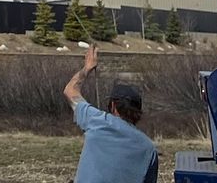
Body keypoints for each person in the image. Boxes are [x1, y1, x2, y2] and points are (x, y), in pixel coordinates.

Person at [64, 44, 158, 183]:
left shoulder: (96, 120)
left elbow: (70, 90)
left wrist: (87, 68)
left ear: (113, 106)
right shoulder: (149, 149)